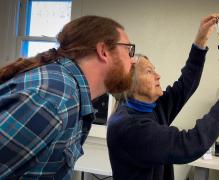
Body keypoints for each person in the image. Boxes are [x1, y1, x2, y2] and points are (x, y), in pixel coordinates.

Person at [107, 13, 219, 180]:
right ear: (130, 83)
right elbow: (189, 145)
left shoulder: (150, 106)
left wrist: (200, 40)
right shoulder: (129, 126)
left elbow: (186, 84)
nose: (158, 75)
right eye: (149, 72)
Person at [0, 15, 135, 179]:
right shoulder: (53, 97)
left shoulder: (69, 94)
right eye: (129, 51)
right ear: (104, 51)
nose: (133, 60)